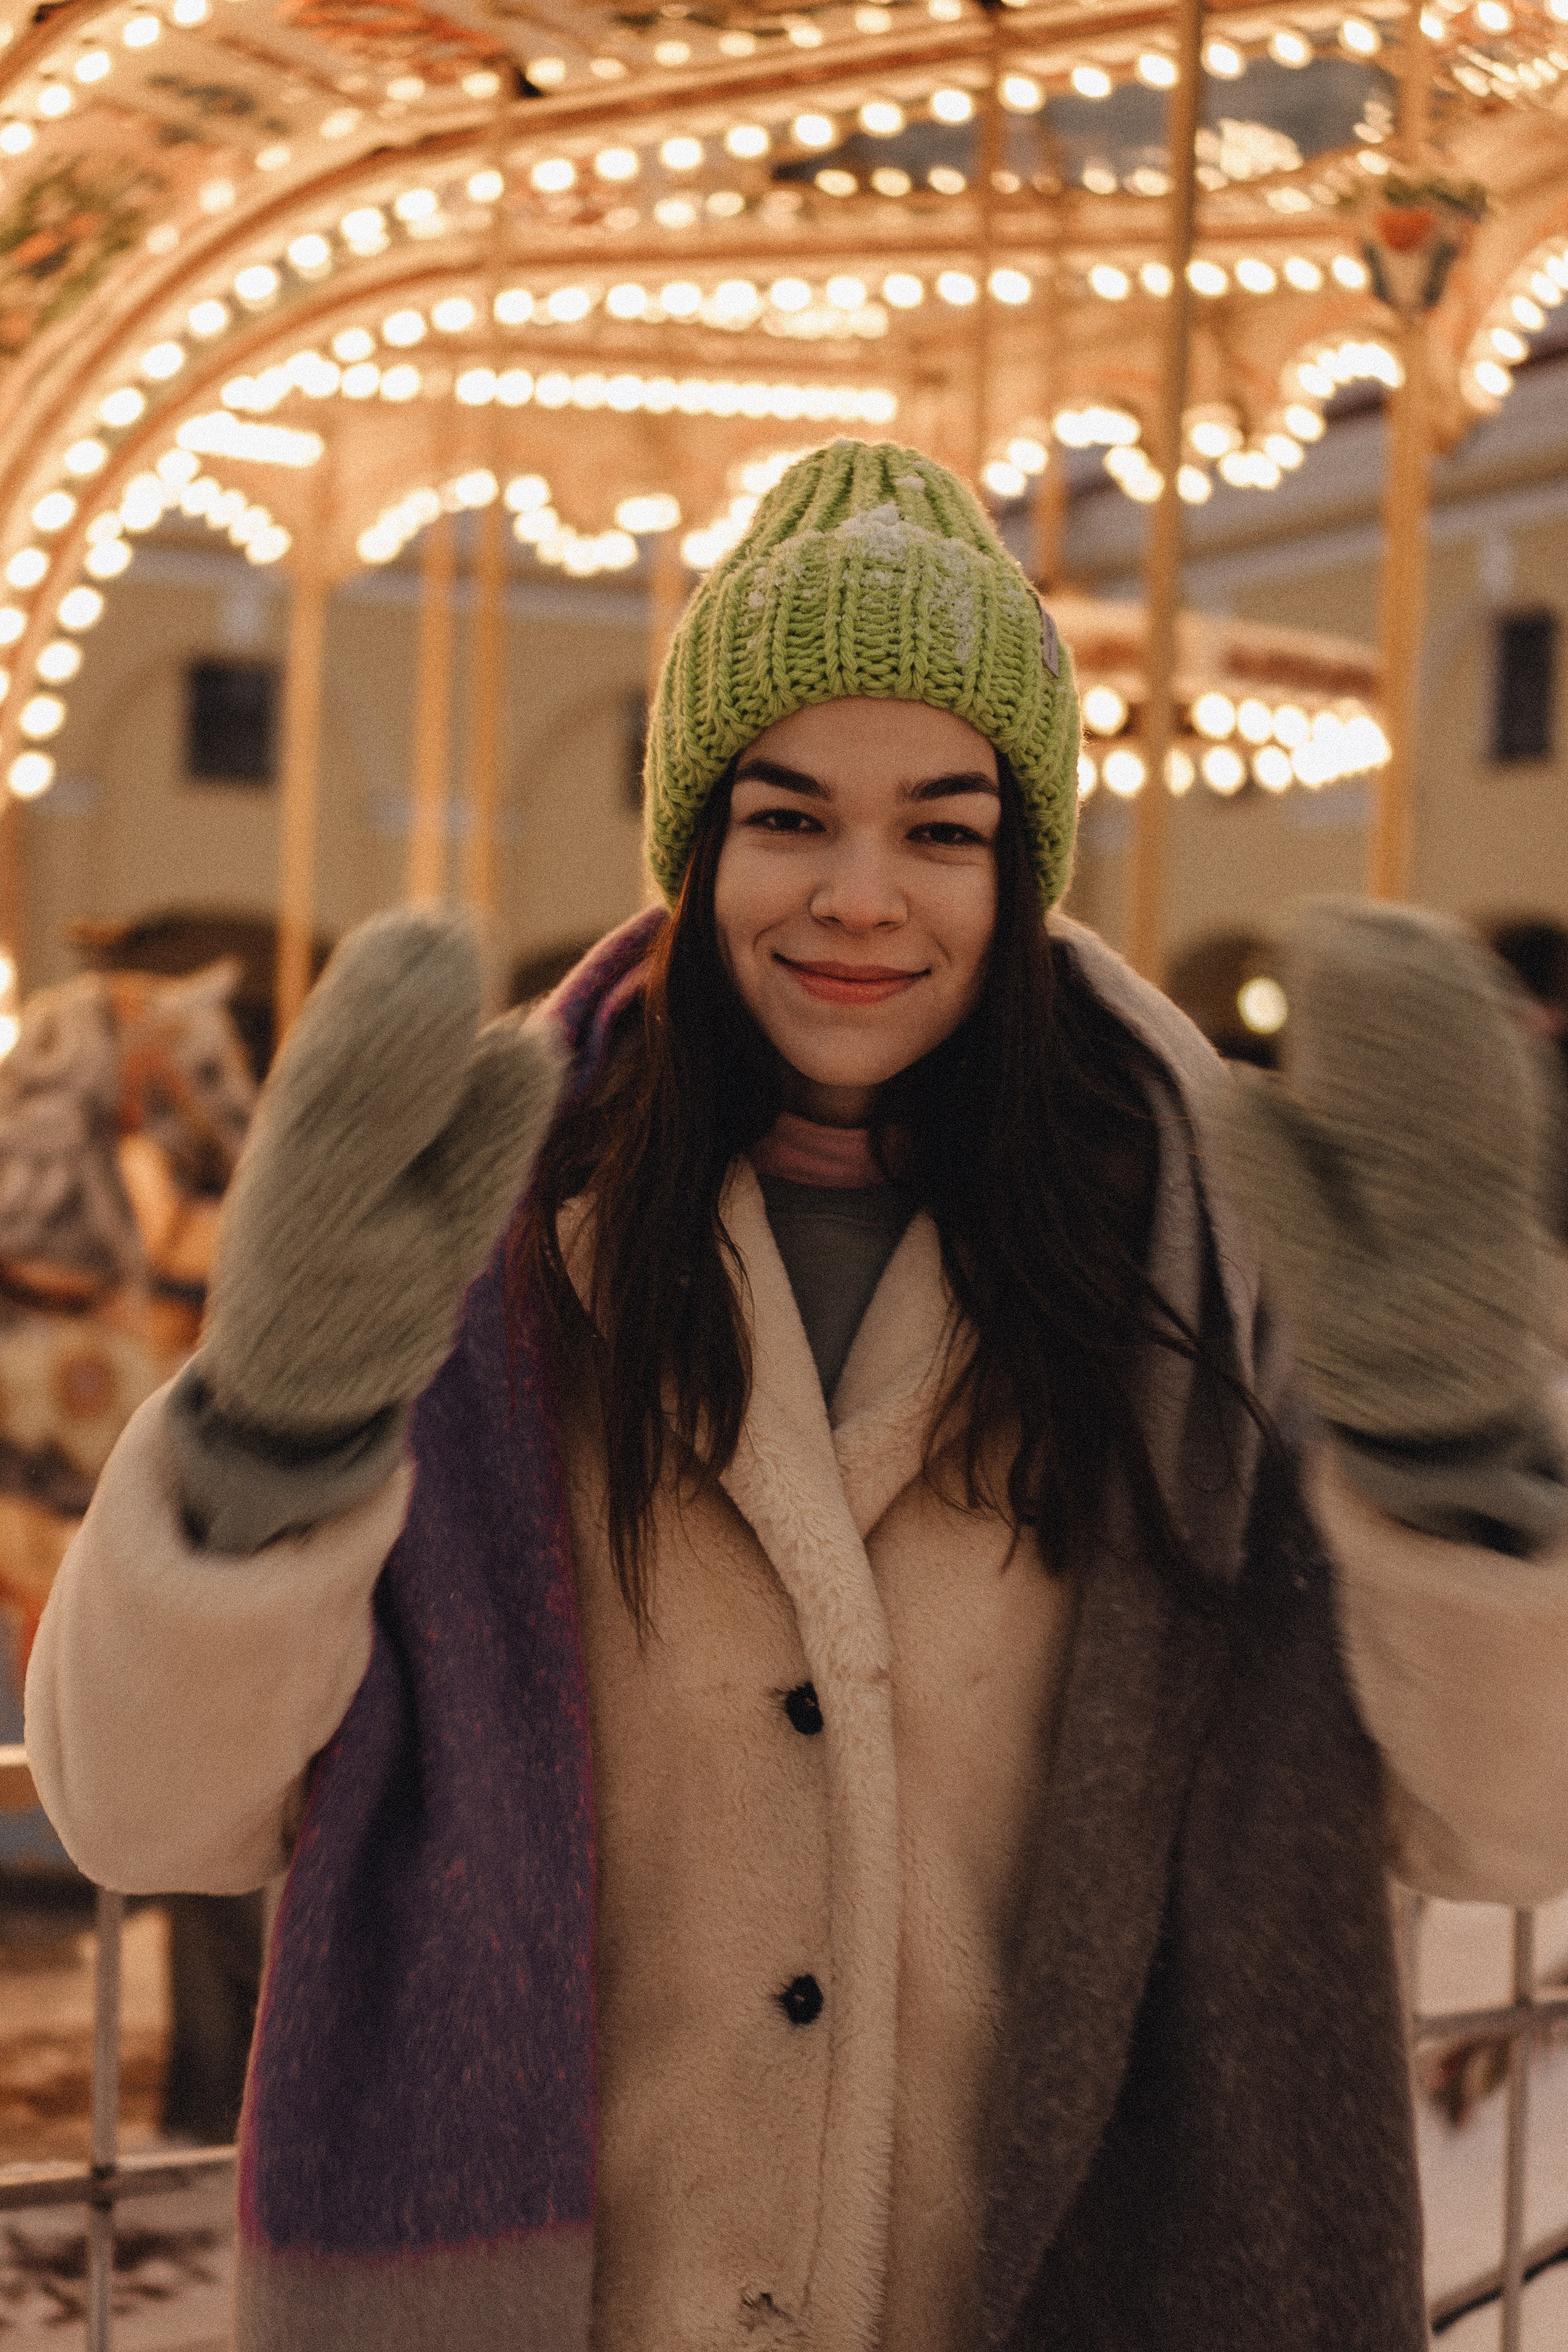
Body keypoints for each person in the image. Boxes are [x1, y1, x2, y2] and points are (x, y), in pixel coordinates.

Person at [23, 441, 1568, 2352]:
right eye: (788, 817)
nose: (860, 896)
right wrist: (274, 1426)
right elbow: (141, 1810)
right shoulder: (475, 1251)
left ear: (1021, 864)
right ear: (695, 847)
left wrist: (1459, 1459)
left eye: (941, 829)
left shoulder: (1206, 1273)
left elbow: (1518, 1827)